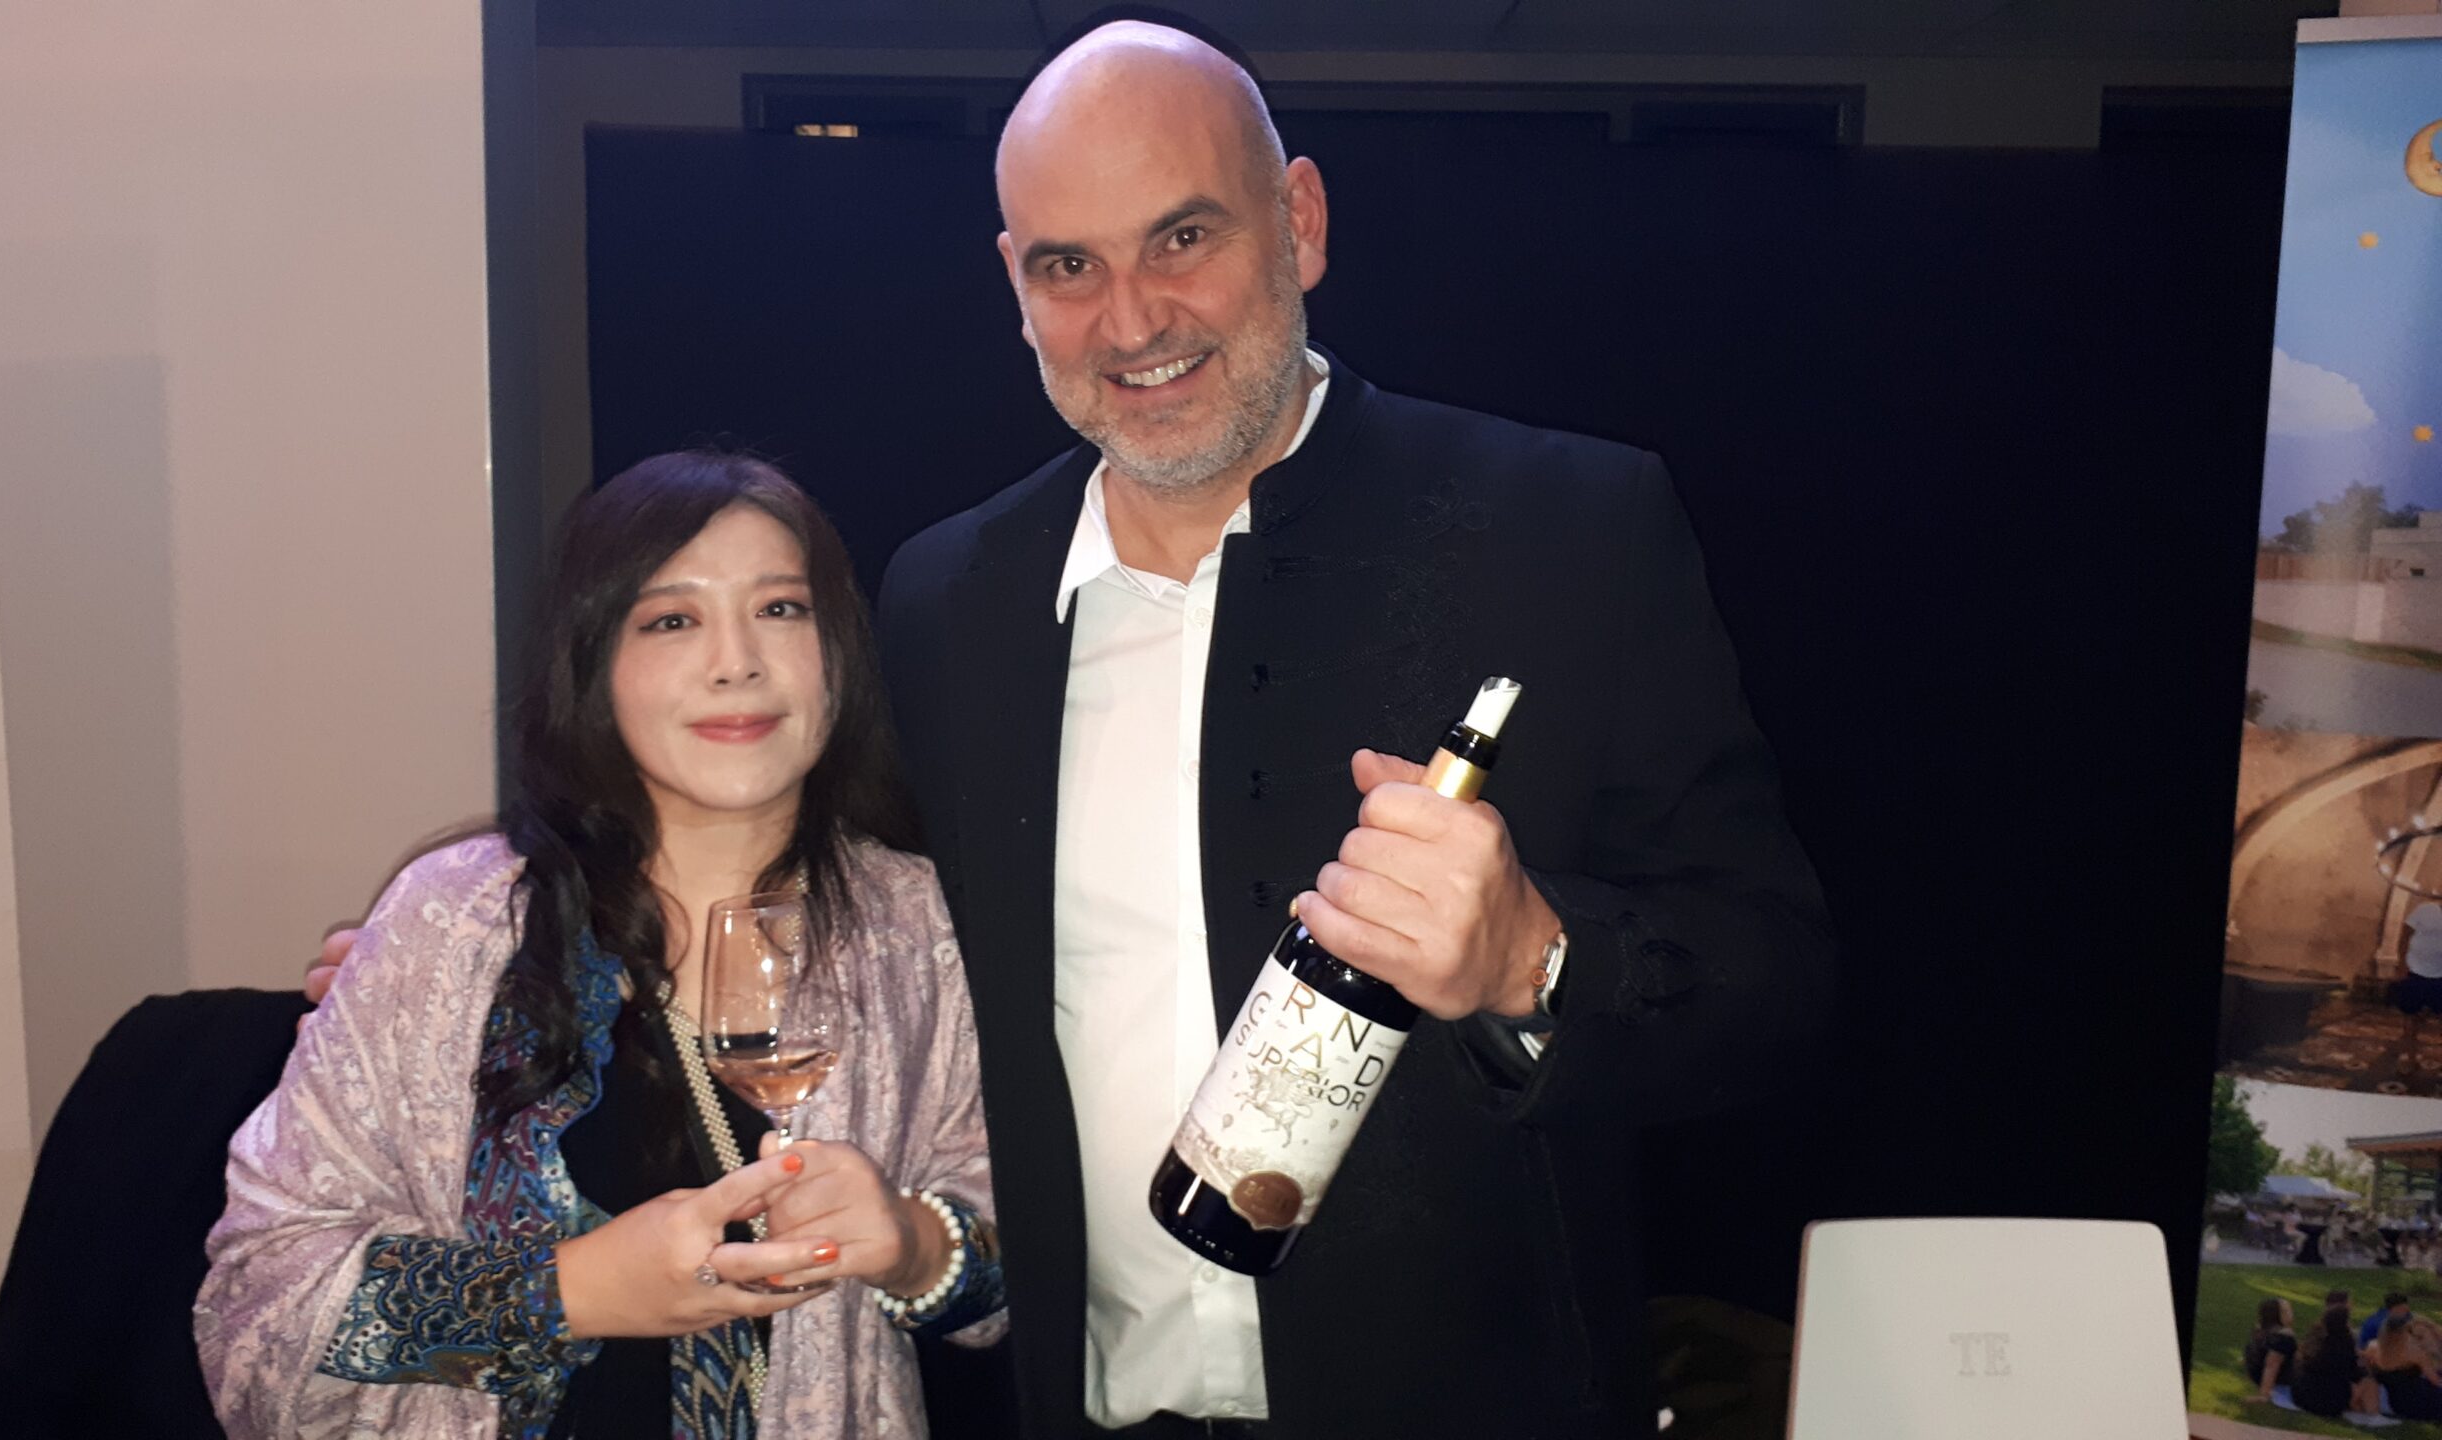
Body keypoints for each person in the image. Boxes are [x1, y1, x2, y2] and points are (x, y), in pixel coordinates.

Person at [873, 19, 1832, 1438]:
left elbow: (1774, 986)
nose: (1130, 323)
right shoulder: (945, 602)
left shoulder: (1568, 530)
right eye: (1068, 267)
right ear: (1016, 284)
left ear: (1300, 223)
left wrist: (1532, 958)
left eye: (1182, 237)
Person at [205, 454, 1005, 1438]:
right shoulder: (458, 921)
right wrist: (571, 1291)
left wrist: (921, 1246)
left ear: (837, 650)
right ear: (595, 666)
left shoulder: (921, 928)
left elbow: (1034, 1265)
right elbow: (260, 1302)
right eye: (671, 620)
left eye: (780, 609)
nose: (736, 661)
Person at [2289, 1296, 2375, 1419]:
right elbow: (2354, 1373)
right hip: (2328, 1401)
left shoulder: (2315, 1338)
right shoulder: (2343, 1345)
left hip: (2301, 1395)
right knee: (2368, 1381)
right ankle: (2373, 1414)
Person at [2370, 1309, 2442, 1420]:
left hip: (2396, 1402)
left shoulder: (2373, 1348)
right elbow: (2435, 1381)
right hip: (2418, 1399)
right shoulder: (2414, 1353)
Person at [2242, 1297, 2296, 1402]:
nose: (2292, 1314)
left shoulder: (2261, 1330)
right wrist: (2264, 1394)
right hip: (2279, 1379)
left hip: (2256, 1374)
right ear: (2279, 1315)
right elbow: (2272, 1365)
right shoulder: (2283, 1336)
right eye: (2288, 1311)